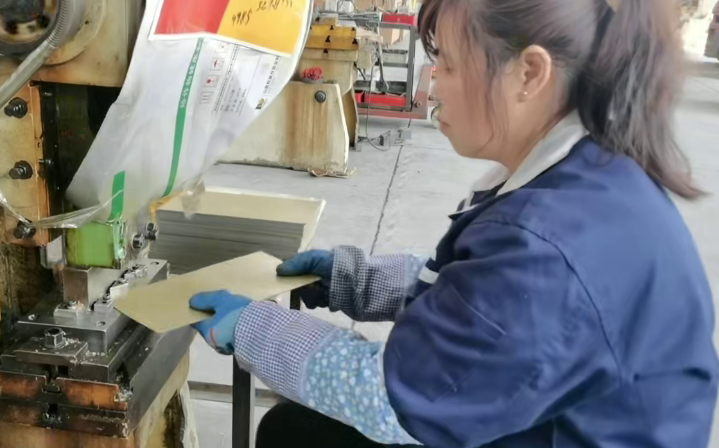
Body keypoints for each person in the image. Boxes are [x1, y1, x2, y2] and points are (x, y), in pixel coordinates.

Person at [190, 0, 719, 446]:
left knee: (298, 436)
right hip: (540, 418)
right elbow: (482, 307)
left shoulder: (546, 248)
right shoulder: (586, 175)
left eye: (448, 64)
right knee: (297, 429)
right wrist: (357, 281)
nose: (432, 85)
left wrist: (256, 328)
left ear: (529, 73)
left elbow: (394, 398)